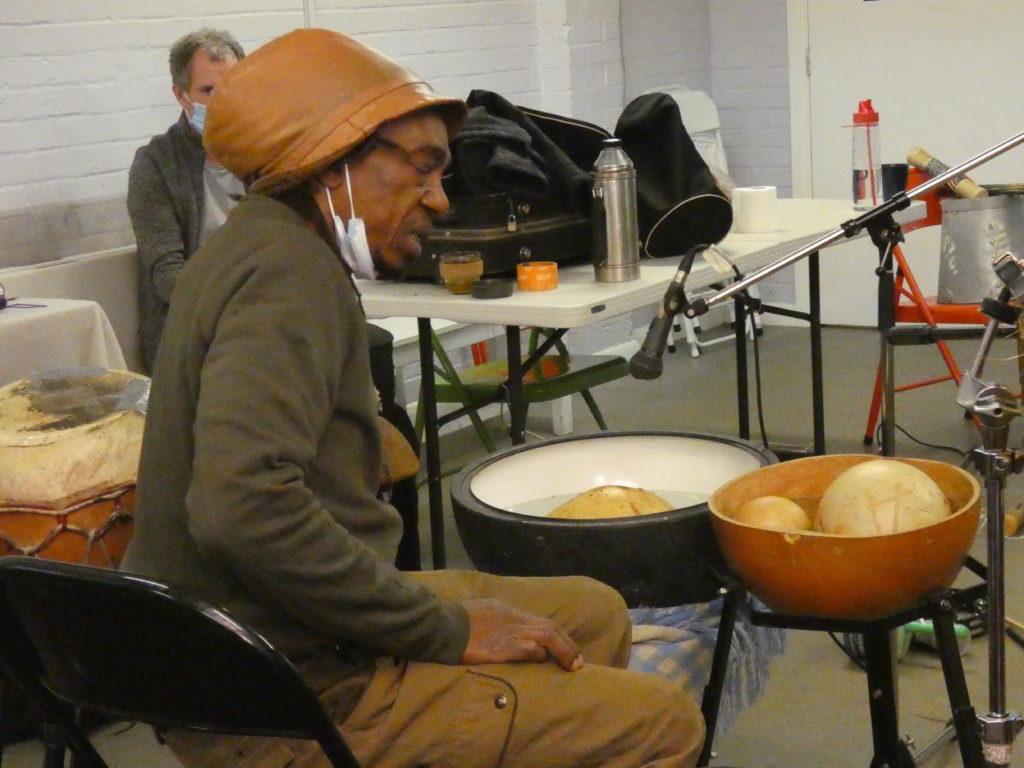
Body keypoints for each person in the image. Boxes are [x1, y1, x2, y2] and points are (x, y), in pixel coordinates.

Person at [122, 28, 704, 768]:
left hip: (257, 644)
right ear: (332, 164)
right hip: (288, 695)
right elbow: (240, 505)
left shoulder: (253, 245)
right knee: (661, 723)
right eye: (423, 169)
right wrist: (447, 632)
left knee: (594, 611)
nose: (438, 200)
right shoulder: (287, 274)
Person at [127, 28, 245, 373]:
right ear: (181, 95)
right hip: (191, 329)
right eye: (208, 90)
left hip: (262, 312)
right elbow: (166, 273)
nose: (222, 101)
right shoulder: (155, 164)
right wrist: (233, 308)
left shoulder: (264, 153)